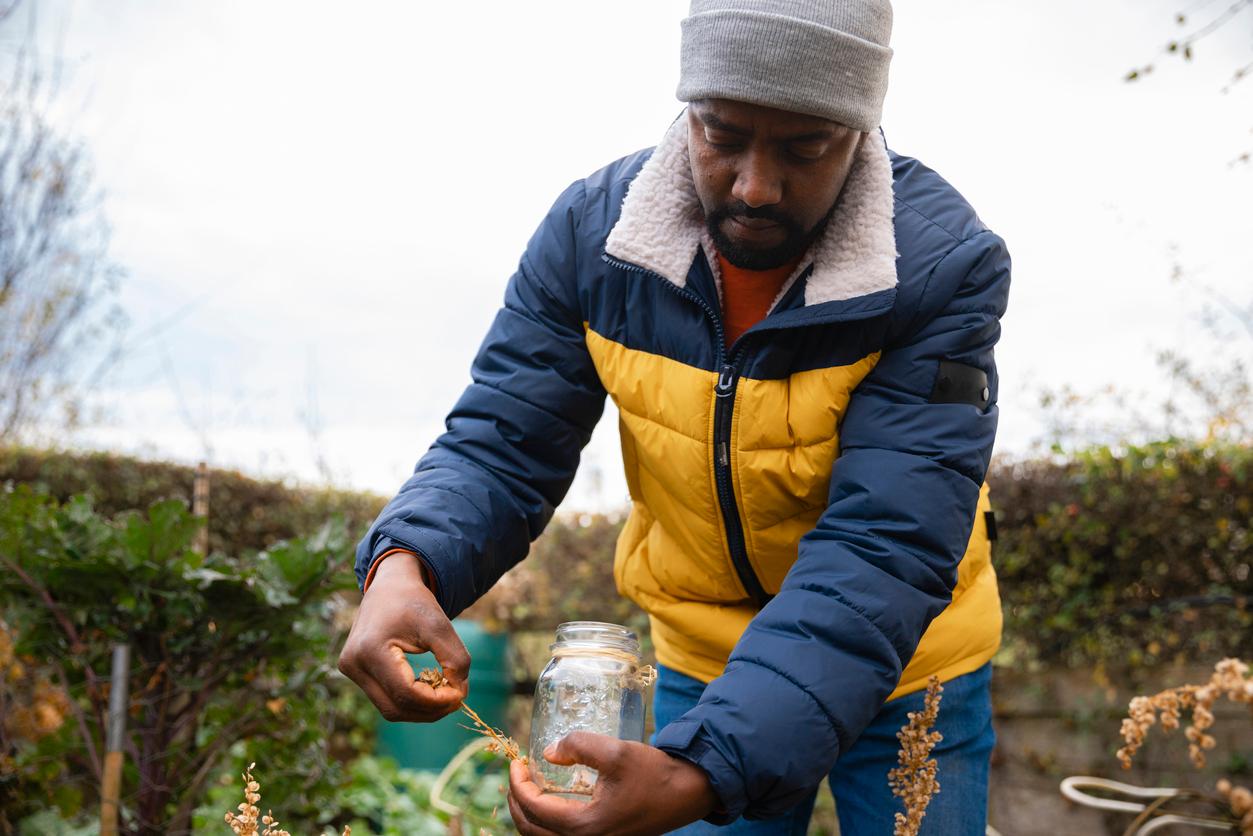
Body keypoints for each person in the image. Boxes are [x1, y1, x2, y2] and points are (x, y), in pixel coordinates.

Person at [337, 1, 1011, 833]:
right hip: (702, 659)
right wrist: (407, 563)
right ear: (687, 106)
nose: (755, 186)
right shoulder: (593, 238)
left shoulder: (943, 265)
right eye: (721, 134)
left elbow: (884, 543)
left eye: (805, 146)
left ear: (863, 126)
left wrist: (704, 770)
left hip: (911, 661)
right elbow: (502, 442)